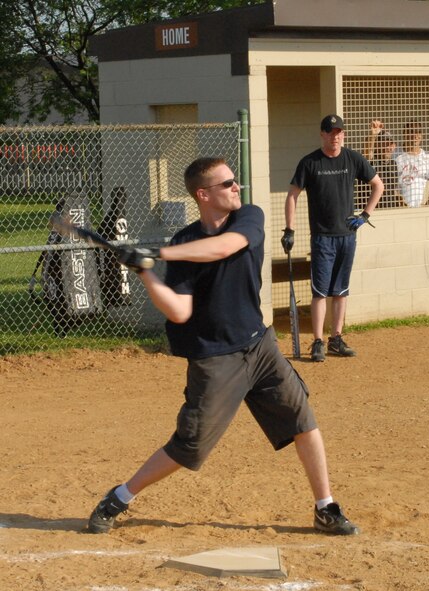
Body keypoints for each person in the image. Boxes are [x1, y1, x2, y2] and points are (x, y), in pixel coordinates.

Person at [86, 157, 359, 536]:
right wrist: (145, 272)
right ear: (203, 194)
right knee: (190, 447)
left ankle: (325, 506)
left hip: (259, 345)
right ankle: (119, 496)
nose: (237, 187)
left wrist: (157, 255)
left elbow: (222, 248)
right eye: (227, 183)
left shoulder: (248, 216)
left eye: (235, 181)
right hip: (214, 358)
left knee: (302, 419)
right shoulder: (183, 242)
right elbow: (180, 311)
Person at [282, 114, 383, 362]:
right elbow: (292, 195)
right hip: (322, 237)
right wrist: (289, 229)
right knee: (320, 292)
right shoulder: (310, 163)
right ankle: (317, 341)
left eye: (339, 132)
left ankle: (336, 338)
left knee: (341, 291)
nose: (335, 137)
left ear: (343, 135)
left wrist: (365, 214)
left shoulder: (352, 158)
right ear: (322, 135)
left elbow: (377, 185)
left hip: (347, 235)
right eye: (330, 132)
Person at [395, 121, 429, 207]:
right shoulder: (396, 158)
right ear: (404, 134)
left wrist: (426, 205)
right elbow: (392, 186)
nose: (415, 135)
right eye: (411, 132)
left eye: (418, 132)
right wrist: (400, 203)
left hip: (423, 209)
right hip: (401, 208)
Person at [363, 119, 401, 208]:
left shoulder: (393, 164)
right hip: (374, 211)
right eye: (384, 144)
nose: (388, 147)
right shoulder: (373, 161)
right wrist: (373, 135)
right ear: (377, 145)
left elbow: (393, 190)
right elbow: (368, 153)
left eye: (390, 144)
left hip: (390, 210)